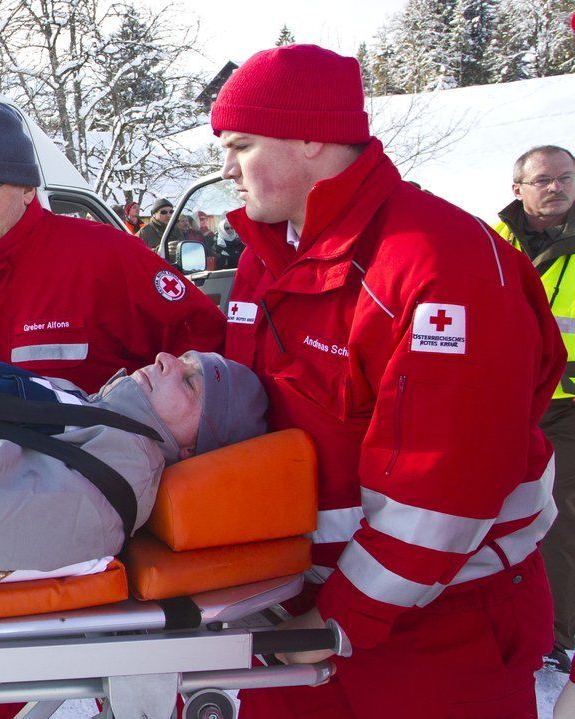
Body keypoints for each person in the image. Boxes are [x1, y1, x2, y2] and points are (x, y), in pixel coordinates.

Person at [212, 44, 564, 717]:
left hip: (436, 626)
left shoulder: (438, 263)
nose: (226, 168)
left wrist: (337, 620)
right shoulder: (270, 255)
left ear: (310, 137)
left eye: (241, 145)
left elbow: (445, 488)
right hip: (298, 610)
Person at [0, 100, 225, 394]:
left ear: (27, 190)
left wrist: (152, 427)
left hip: (97, 446)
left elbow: (206, 348)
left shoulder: (105, 255)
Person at [0, 351, 266, 571]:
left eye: (190, 383)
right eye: (182, 358)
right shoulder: (97, 416)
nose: (165, 360)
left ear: (191, 449)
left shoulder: (115, 482)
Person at [495, 144, 575, 673]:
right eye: (543, 179)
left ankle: (557, 633)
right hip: (506, 399)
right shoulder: (489, 238)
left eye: (565, 177)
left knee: (559, 513)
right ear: (518, 188)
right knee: (495, 510)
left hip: (567, 405)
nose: (557, 187)